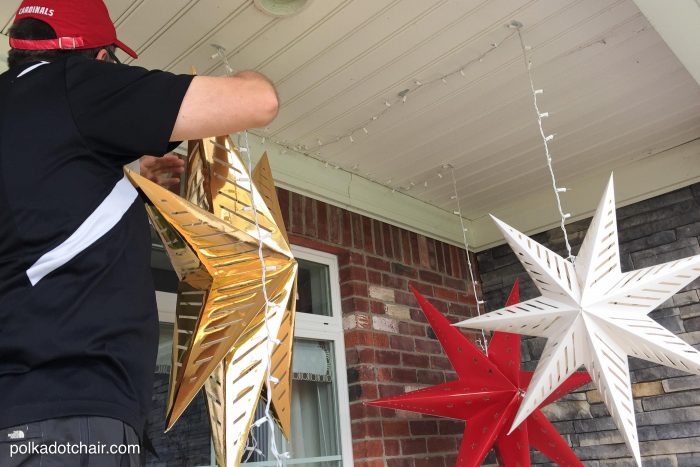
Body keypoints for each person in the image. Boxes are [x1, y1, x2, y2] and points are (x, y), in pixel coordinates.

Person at [0, 0, 279, 465]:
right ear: (101, 58)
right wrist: (253, 73)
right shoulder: (76, 84)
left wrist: (130, 182)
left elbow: (45, 221)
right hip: (72, 418)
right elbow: (258, 101)